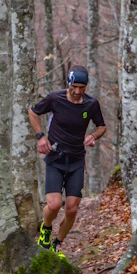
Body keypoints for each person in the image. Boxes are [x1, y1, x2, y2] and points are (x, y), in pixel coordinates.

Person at [28, 65, 106, 256]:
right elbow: (33, 112)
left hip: (77, 160)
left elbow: (102, 126)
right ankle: (46, 230)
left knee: (71, 209)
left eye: (82, 88)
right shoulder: (56, 99)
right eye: (75, 87)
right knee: (54, 205)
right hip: (56, 158)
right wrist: (40, 136)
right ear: (68, 84)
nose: (78, 91)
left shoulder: (91, 104)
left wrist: (93, 136)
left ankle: (58, 244)